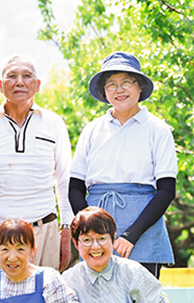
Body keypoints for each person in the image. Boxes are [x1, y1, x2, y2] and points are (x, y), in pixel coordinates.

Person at [68, 51, 178, 278]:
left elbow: (166, 191)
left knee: (143, 301)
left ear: (140, 88)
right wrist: (92, 232)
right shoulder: (92, 130)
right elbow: (75, 188)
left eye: (126, 82)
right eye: (112, 85)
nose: (119, 90)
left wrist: (131, 235)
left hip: (143, 227)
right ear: (104, 92)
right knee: (95, 300)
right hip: (96, 223)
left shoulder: (157, 129)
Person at [0, 55, 73, 274]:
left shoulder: (54, 123)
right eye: (12, 76)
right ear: (1, 86)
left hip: (44, 231)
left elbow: (65, 178)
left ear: (37, 85)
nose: (19, 82)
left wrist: (66, 228)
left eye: (27, 76)